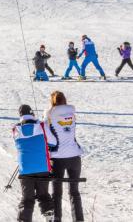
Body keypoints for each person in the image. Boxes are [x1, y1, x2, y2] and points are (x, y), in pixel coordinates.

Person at [45, 91, 84, 222]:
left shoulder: (50, 116)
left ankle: (57, 219)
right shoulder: (72, 114)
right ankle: (78, 219)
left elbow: (48, 137)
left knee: (57, 193)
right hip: (75, 156)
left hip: (58, 158)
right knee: (74, 192)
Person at [13, 104, 54, 222]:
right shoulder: (41, 126)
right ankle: (49, 216)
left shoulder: (15, 129)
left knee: (27, 199)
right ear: (32, 113)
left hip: (25, 169)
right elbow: (53, 142)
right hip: (42, 167)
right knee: (43, 195)